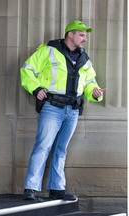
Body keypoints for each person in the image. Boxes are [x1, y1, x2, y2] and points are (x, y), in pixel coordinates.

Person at [20, 20, 105, 201]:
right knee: (42, 146)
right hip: (52, 107)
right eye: (81, 35)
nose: (85, 39)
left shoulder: (84, 59)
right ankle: (31, 187)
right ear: (70, 34)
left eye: (85, 35)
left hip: (72, 110)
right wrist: (36, 89)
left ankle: (57, 188)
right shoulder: (48, 50)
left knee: (61, 149)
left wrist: (95, 93)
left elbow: (90, 83)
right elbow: (27, 70)